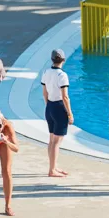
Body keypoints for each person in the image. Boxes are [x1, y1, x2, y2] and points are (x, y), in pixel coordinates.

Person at [41, 48, 73, 178]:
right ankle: (52, 170)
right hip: (59, 108)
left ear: (52, 59)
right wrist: (70, 114)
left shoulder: (46, 72)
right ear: (63, 60)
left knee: (51, 139)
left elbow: (44, 93)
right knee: (57, 142)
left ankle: (53, 166)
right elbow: (65, 97)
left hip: (49, 106)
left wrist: (48, 106)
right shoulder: (62, 75)